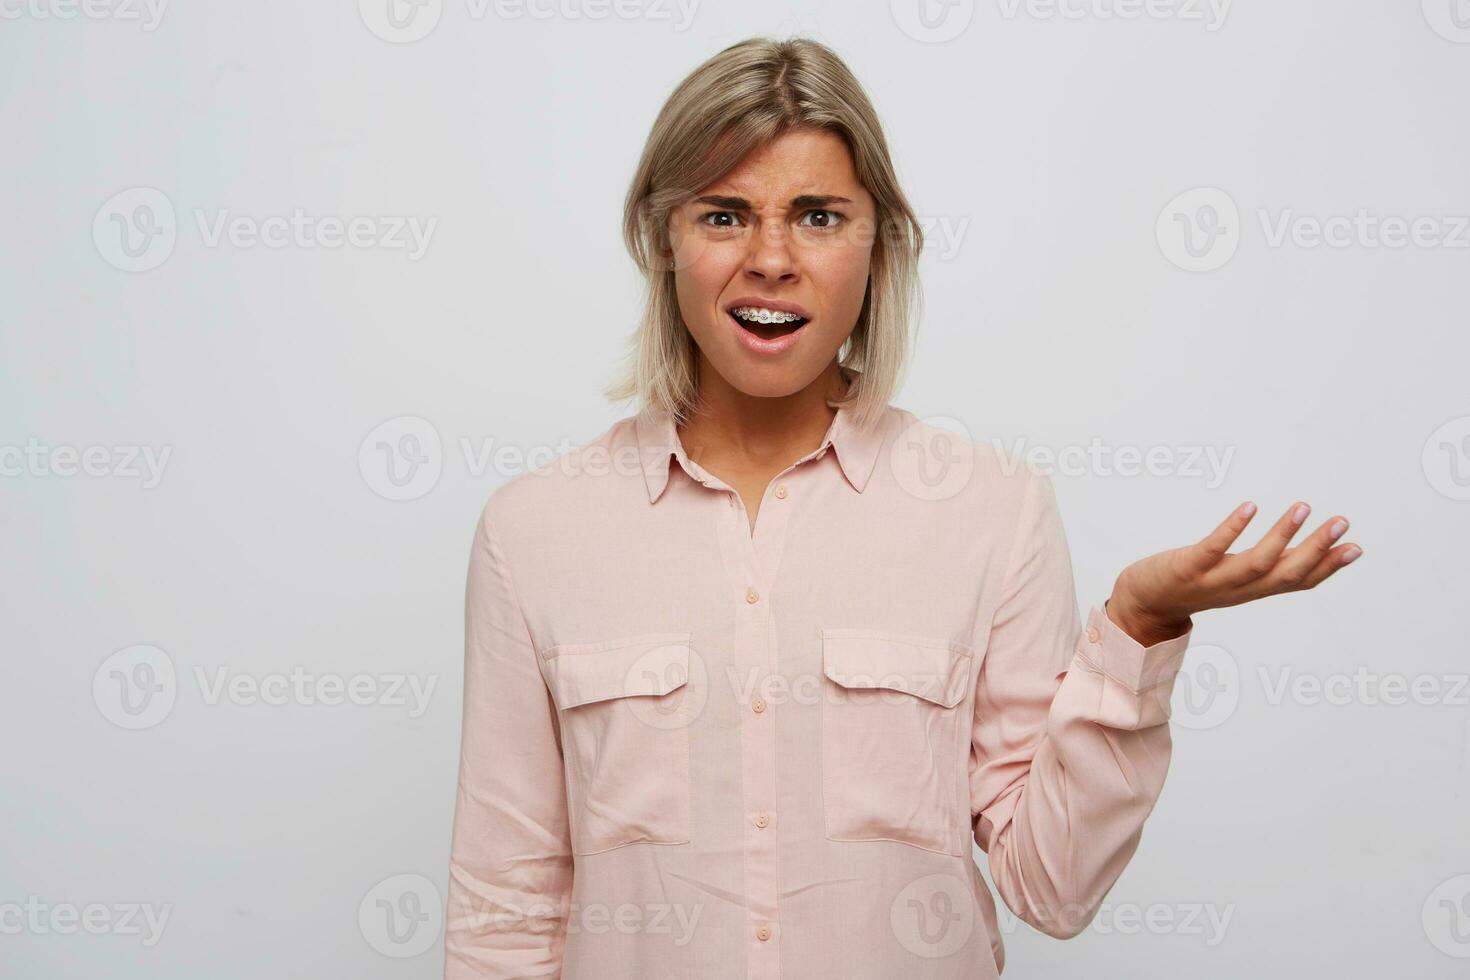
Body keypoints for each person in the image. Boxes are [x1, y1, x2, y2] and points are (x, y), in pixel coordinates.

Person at [442, 36, 1361, 980]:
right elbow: (504, 914)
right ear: (660, 238)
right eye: (724, 215)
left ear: (879, 247)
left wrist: (1140, 626)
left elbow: (1052, 886)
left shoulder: (993, 512)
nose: (770, 259)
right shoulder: (533, 534)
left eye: (817, 216)